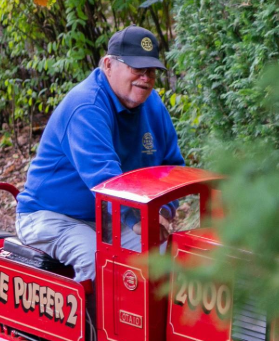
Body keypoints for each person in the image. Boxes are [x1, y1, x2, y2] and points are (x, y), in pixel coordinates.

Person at [16, 26, 184, 282]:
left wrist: (164, 211)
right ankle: (92, 323)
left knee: (165, 256)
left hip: (112, 216)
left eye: (151, 71)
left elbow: (172, 167)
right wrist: (137, 219)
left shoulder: (153, 103)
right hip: (52, 215)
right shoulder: (87, 106)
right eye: (137, 69)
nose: (146, 78)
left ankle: (150, 322)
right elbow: (104, 179)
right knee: (99, 262)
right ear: (108, 65)